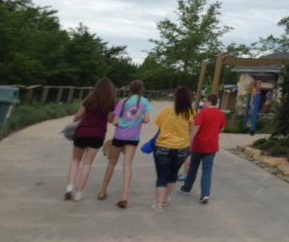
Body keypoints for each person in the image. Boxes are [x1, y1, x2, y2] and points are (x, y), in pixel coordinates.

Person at [98, 80, 152, 208]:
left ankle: (102, 191)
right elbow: (147, 119)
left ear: (130, 89)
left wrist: (122, 122)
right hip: (133, 138)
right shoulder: (144, 102)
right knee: (127, 165)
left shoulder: (123, 102)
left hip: (120, 136)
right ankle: (124, 196)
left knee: (112, 163)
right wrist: (138, 120)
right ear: (141, 89)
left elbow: (115, 122)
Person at [63, 78, 116, 201]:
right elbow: (110, 120)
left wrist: (76, 119)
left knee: (76, 160)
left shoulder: (89, 99)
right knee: (87, 163)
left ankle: (69, 188)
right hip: (98, 135)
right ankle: (79, 194)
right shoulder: (111, 103)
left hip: (82, 132)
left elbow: (77, 117)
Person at [151, 87, 194, 213]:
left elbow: (159, 126)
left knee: (161, 176)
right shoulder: (190, 112)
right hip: (181, 148)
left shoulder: (166, 110)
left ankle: (158, 205)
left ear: (175, 97)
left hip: (164, 146)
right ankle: (165, 199)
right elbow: (191, 129)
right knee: (173, 174)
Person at [180, 97, 226, 204]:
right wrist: (214, 134)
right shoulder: (220, 113)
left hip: (198, 145)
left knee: (193, 168)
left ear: (209, 101)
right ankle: (205, 194)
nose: (204, 102)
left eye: (205, 101)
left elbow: (196, 128)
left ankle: (187, 188)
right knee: (207, 169)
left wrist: (189, 141)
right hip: (212, 145)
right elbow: (222, 128)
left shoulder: (203, 112)